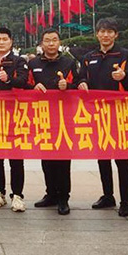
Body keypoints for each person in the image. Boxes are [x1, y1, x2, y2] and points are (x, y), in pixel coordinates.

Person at [78, 18, 128, 217]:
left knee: (122, 158)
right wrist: (82, 83)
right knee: (103, 156)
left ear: (116, 35)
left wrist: (124, 76)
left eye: (109, 31)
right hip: (97, 113)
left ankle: (126, 200)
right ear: (97, 34)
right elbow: (82, 77)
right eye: (102, 31)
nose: (105, 35)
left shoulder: (125, 55)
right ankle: (108, 195)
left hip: (119, 113)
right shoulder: (89, 57)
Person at [30, 28, 83, 215]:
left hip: (63, 117)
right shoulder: (34, 63)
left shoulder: (69, 62)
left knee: (62, 159)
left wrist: (68, 86)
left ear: (59, 42)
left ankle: (63, 197)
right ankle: (50, 193)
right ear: (41, 43)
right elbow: (25, 84)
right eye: (47, 40)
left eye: (54, 40)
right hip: (42, 115)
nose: (51, 43)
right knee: (46, 158)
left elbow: (80, 84)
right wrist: (33, 86)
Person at [0, 27, 29, 212]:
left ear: (11, 42)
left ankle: (17, 195)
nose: (1, 42)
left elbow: (23, 81)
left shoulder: (18, 61)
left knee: (16, 157)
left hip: (14, 115)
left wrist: (8, 79)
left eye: (5, 39)